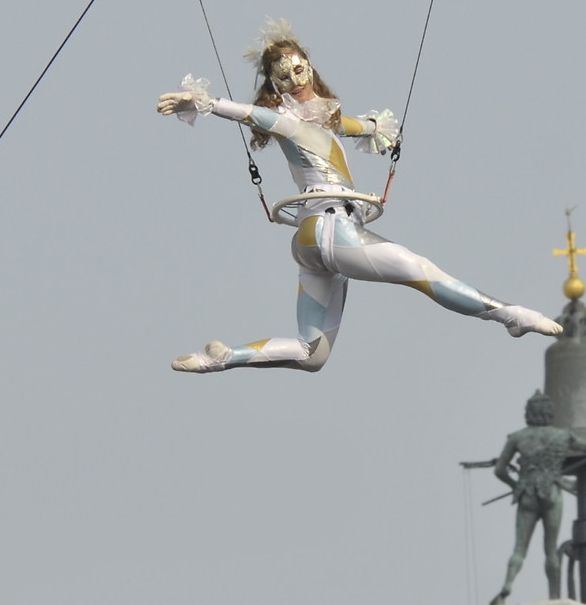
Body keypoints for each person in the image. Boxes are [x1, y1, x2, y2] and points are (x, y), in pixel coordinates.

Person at [156, 20, 561, 372]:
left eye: (299, 68)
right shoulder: (286, 121)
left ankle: (223, 357)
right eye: (284, 76)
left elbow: (354, 126)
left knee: (310, 353)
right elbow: (249, 114)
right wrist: (205, 102)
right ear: (275, 86)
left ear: (310, 68)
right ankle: (510, 315)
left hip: (310, 242)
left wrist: (373, 129)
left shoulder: (324, 122)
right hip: (334, 228)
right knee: (422, 272)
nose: (295, 79)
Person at [488, 392, 578, 605]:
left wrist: (515, 486)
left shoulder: (517, 437)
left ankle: (507, 586)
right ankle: (554, 597)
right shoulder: (562, 435)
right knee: (550, 548)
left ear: (528, 413)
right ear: (550, 413)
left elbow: (499, 470)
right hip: (551, 493)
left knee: (519, 549)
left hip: (527, 494)